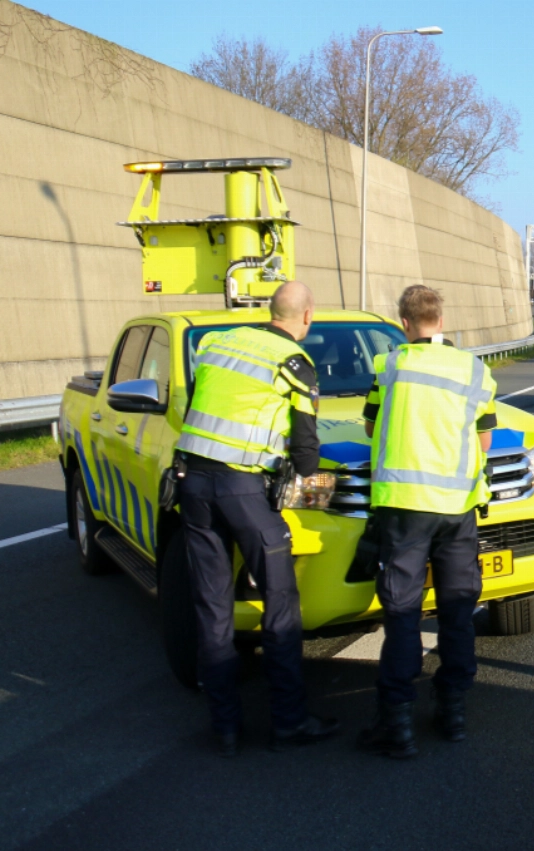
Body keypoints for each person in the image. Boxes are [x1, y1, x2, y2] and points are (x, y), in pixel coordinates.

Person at [175, 281, 340, 757]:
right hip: (243, 491)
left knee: (212, 608)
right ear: (307, 317)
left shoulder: (218, 344)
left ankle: (224, 727)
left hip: (193, 485)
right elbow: (306, 453)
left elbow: (199, 414)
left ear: (272, 311)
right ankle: (288, 721)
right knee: (281, 603)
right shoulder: (295, 365)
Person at [358, 285, 498, 759]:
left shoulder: (392, 365)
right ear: (441, 319)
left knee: (402, 614)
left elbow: (371, 426)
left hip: (403, 507)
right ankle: (453, 711)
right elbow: (484, 441)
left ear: (404, 323)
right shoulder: (475, 370)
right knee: (458, 610)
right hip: (458, 507)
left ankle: (396, 723)